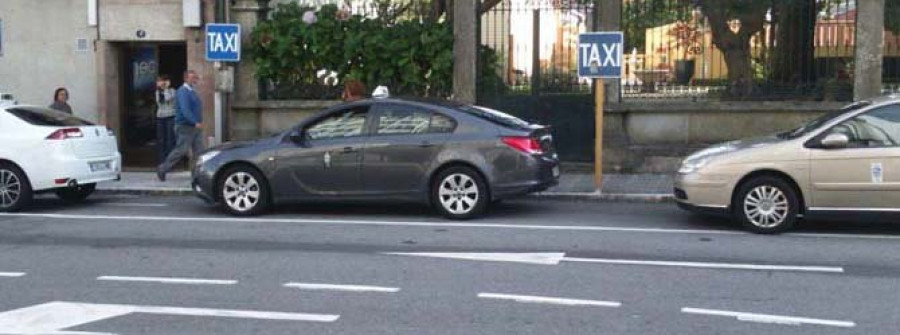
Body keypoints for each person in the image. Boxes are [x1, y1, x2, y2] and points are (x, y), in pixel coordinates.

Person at [157, 70, 203, 182]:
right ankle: (163, 168)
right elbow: (185, 109)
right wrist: (194, 121)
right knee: (181, 150)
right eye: (192, 78)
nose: (195, 80)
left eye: (195, 77)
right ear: (186, 79)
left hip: (194, 127)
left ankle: (196, 174)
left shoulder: (191, 91)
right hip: (185, 126)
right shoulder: (182, 92)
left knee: (199, 151)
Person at [155, 75, 177, 165]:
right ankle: (162, 160)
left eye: (161, 81)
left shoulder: (172, 91)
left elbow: (168, 100)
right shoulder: (157, 92)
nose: (160, 83)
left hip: (170, 116)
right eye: (158, 81)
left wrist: (166, 89)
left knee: (170, 139)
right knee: (161, 139)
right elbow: (160, 103)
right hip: (160, 117)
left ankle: (170, 161)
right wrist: (162, 90)